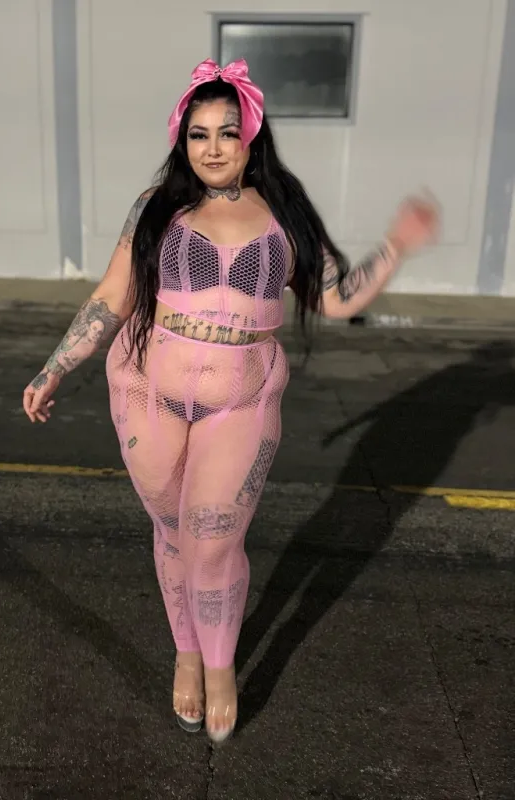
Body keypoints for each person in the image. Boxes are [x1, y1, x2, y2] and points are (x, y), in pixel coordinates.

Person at [22, 58, 440, 744]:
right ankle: (186, 652)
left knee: (213, 540)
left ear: (251, 136)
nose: (212, 147)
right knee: (172, 533)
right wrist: (55, 367)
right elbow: (112, 298)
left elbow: (335, 298)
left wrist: (397, 246)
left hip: (240, 398)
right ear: (181, 139)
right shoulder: (157, 206)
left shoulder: (284, 212)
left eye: (226, 132)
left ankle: (220, 668)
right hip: (146, 387)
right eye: (198, 134)